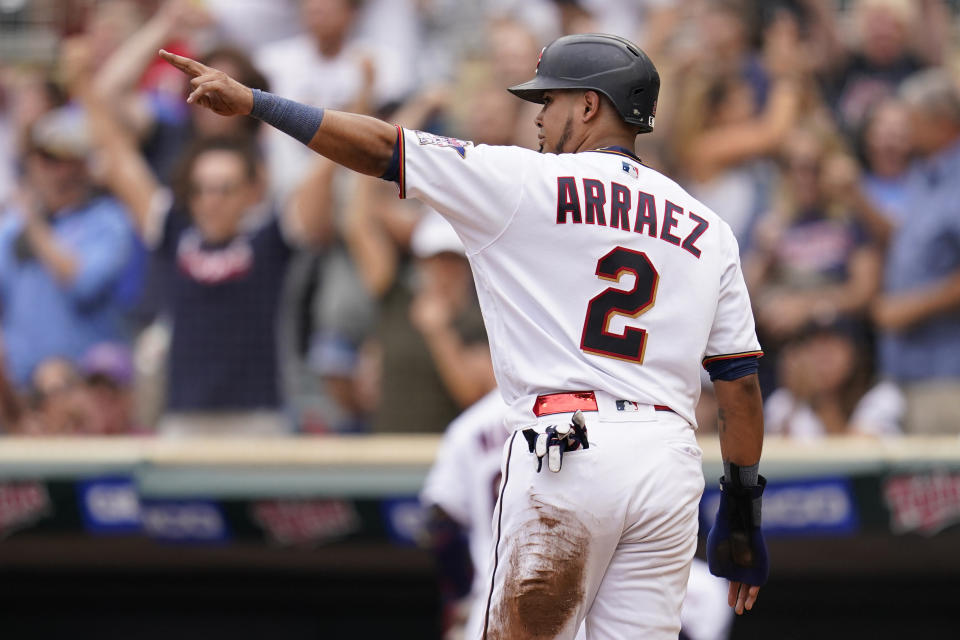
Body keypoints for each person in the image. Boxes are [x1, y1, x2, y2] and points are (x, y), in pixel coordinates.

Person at [160, 31, 768, 638]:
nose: (536, 117)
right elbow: (739, 388)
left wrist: (258, 105)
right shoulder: (709, 228)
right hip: (669, 459)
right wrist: (741, 512)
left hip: (570, 448)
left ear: (588, 106)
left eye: (548, 101)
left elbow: (380, 149)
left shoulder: (526, 181)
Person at [421, 390, 734, 640]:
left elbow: (442, 526)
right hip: (612, 588)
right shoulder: (619, 411)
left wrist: (460, 599)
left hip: (503, 599)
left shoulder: (469, 427)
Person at [872, 68, 960, 435]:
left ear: (942, 123)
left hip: (946, 375)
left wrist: (910, 307)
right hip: (905, 369)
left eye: (914, 120)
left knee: (942, 491)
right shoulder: (923, 173)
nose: (906, 130)